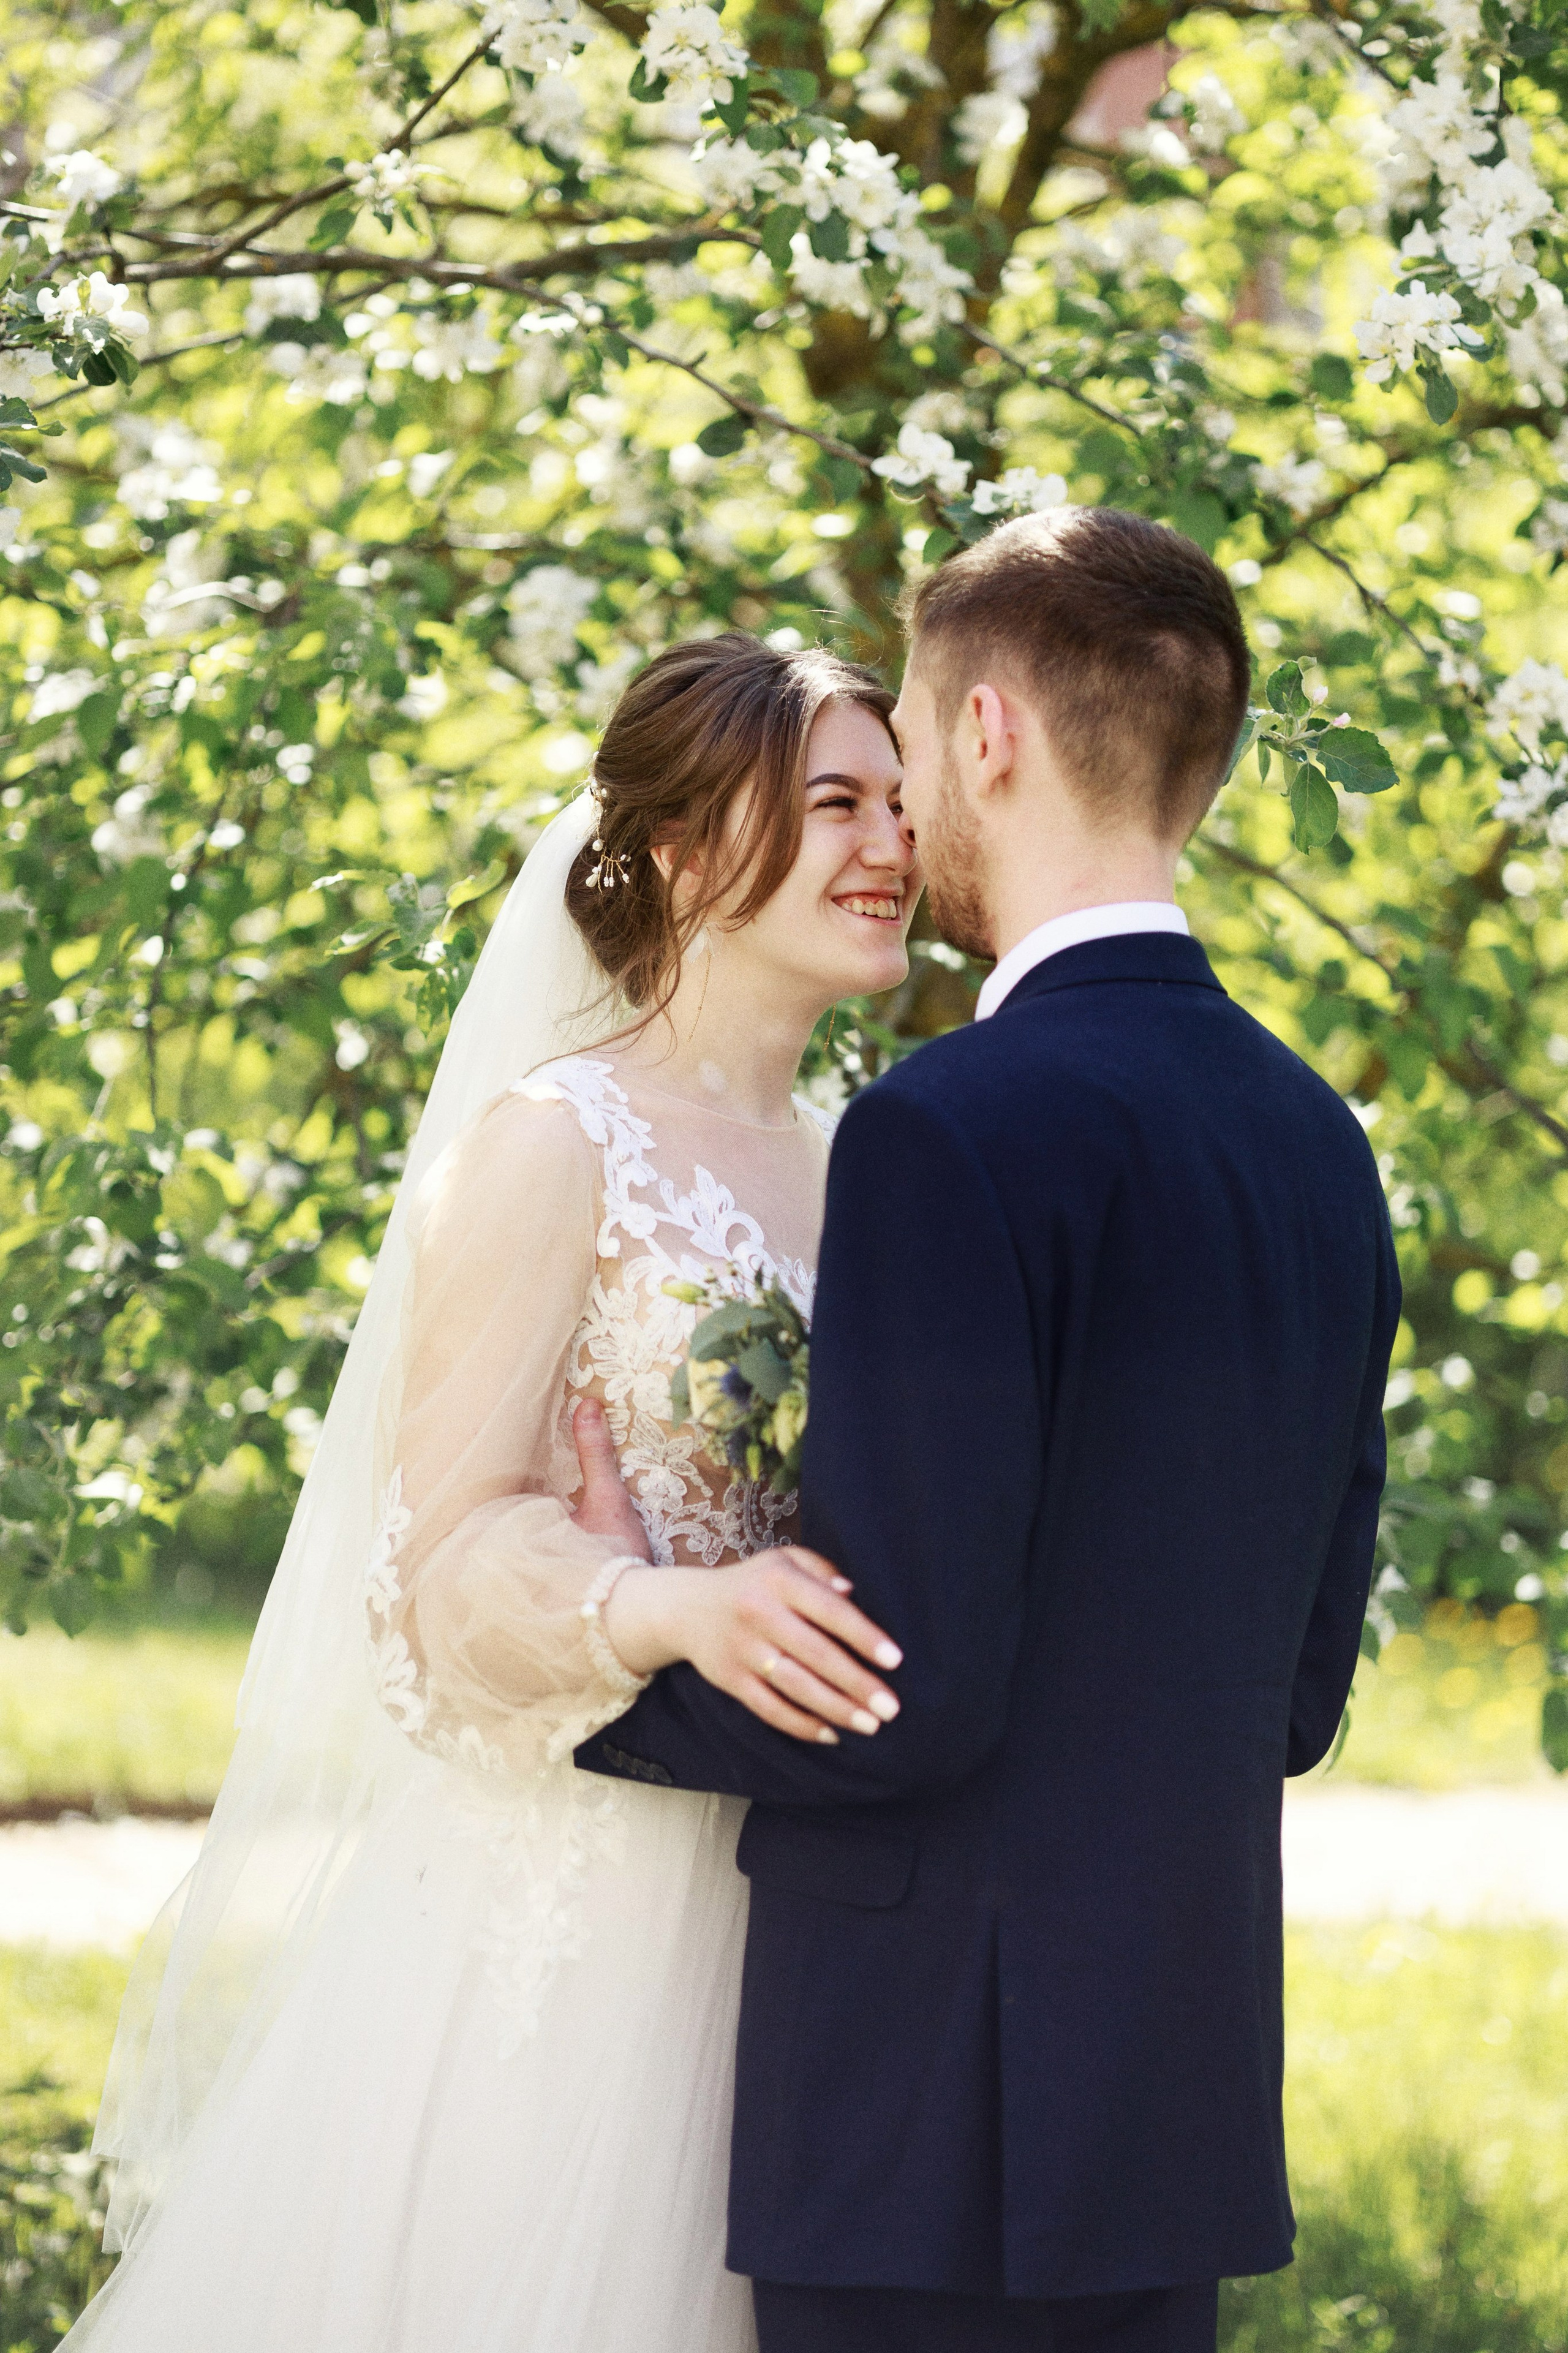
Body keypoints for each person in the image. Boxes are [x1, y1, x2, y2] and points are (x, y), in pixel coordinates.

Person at [575, 508, 1402, 2353]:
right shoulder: (1316, 1147)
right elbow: (1295, 1691)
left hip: (924, 2105)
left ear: (992, 735)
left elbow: (907, 1681)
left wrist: (604, 1666)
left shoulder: (950, 1130)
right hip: (1166, 2093)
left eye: (923, 738)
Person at [65, 634, 917, 2353]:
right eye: (836, 801)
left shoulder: (874, 1158)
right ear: (683, 851)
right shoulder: (554, 1143)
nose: (892, 844)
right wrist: (652, 1600)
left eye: (901, 800)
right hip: (580, 1917)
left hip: (809, 1909)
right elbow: (428, 1579)